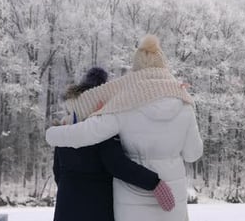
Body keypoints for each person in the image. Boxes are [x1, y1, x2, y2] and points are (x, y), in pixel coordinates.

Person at [46, 35, 203, 221]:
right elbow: (193, 154)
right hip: (172, 199)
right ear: (164, 66)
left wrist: (53, 134)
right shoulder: (185, 105)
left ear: (136, 69)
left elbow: (87, 133)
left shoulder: (124, 104)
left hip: (131, 202)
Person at [52, 67, 175, 221]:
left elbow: (57, 171)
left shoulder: (65, 126)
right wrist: (155, 182)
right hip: (96, 208)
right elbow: (118, 165)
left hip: (65, 208)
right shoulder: (100, 128)